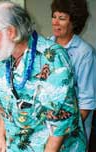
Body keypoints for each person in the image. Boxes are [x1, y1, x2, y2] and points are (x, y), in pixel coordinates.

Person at [0, 1, 86, 151]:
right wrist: (1, 138)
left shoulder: (52, 58)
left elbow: (60, 122)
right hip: (17, 145)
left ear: (11, 32)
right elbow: (5, 104)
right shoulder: (0, 58)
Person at [50, 0, 96, 144]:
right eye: (54, 16)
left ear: (74, 22)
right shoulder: (46, 47)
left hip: (74, 129)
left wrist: (65, 131)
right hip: (48, 128)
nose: (55, 22)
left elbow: (86, 102)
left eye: (62, 18)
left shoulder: (85, 53)